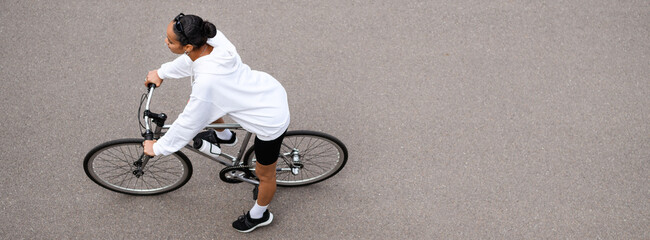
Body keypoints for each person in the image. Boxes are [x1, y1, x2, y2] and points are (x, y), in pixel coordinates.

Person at [142, 13, 290, 233]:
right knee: (200, 102)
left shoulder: (208, 82)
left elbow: (187, 124)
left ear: (188, 46)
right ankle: (224, 136)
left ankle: (260, 215)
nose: (166, 42)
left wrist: (158, 147)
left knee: (265, 175)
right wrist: (162, 72)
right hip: (266, 89)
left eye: (170, 40)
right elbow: (190, 63)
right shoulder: (213, 38)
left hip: (269, 119)